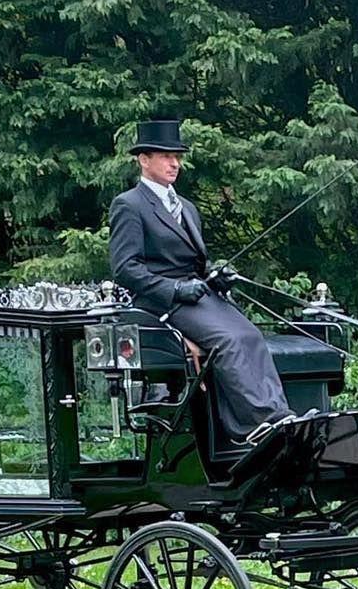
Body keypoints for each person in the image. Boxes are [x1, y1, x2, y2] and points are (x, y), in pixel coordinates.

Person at [108, 120, 294, 442]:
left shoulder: (187, 208)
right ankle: (256, 423)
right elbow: (126, 268)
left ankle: (277, 415)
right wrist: (174, 290)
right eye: (166, 156)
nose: (175, 164)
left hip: (197, 295)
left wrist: (215, 275)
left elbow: (195, 262)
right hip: (160, 300)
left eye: (177, 157)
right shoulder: (129, 205)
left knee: (250, 335)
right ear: (144, 159)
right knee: (229, 339)